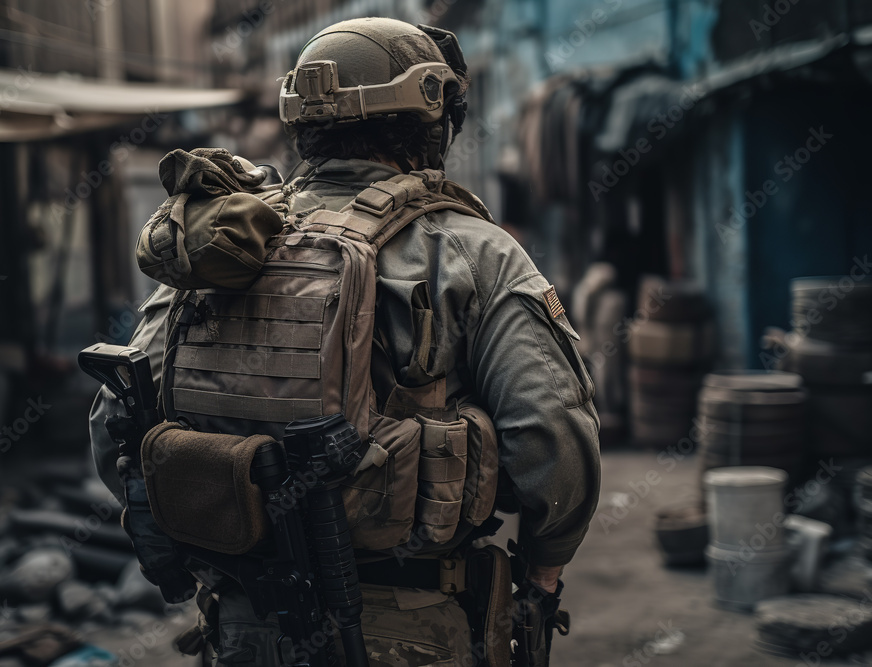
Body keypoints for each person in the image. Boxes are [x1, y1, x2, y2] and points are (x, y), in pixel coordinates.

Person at [89, 17, 600, 666]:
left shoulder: (222, 245)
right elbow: (556, 447)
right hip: (417, 628)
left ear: (301, 125)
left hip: (245, 623)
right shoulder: (473, 250)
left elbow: (114, 429)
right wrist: (541, 579)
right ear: (431, 119)